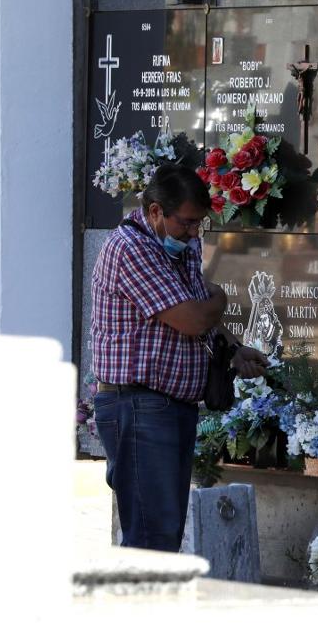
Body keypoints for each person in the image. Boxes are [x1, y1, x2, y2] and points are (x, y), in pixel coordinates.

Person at [90, 164, 268, 552]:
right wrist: (219, 299)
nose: (194, 233)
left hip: (167, 407)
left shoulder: (179, 245)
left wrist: (233, 351)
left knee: (164, 533)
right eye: (187, 223)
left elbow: (198, 314)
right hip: (138, 405)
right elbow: (192, 317)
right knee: (151, 539)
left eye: (199, 224)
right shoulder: (131, 248)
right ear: (155, 211)